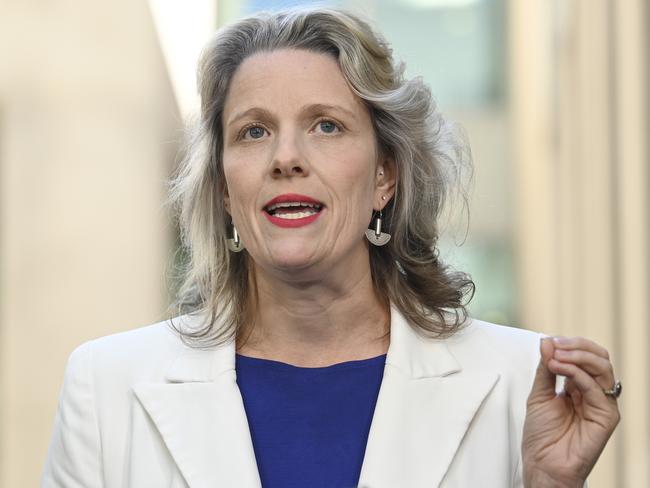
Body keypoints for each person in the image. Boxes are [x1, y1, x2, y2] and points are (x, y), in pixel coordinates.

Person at [41, 7, 620, 488]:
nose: (285, 157)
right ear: (222, 187)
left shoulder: (520, 382)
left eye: (326, 126)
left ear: (384, 177)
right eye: (254, 131)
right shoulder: (105, 387)